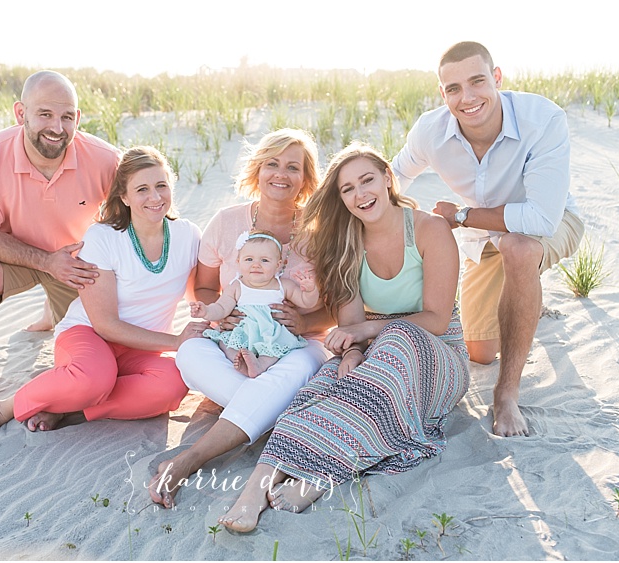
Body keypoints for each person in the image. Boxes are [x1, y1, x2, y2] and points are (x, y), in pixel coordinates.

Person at [218, 143, 470, 532]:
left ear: (388, 179)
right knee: (326, 382)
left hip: (435, 352)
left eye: (367, 180)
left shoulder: (428, 230)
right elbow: (350, 320)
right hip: (371, 345)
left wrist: (365, 331)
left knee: (397, 339)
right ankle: (255, 489)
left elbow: (436, 319)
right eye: (347, 189)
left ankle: (322, 476)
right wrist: (352, 352)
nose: (360, 194)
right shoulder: (345, 242)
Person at [392, 41, 584, 437]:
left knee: (519, 249)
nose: (468, 97)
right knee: (480, 351)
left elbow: (540, 218)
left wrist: (459, 216)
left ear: (497, 78)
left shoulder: (542, 119)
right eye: (454, 89)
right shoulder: (431, 131)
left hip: (549, 222)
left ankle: (506, 395)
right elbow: (392, 178)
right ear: (441, 93)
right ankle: (526, 299)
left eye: (477, 81)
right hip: (482, 237)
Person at [0, 146, 208, 442]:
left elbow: (202, 294)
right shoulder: (103, 238)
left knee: (171, 387)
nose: (155, 197)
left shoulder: (188, 235)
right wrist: (177, 342)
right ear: (124, 196)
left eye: (161, 186)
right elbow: (105, 325)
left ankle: (71, 409)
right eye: (142, 189)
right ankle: (5, 408)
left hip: (145, 347)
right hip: (89, 336)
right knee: (93, 379)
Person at [148, 129, 334, 508]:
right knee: (189, 353)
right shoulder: (227, 221)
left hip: (295, 344)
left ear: (306, 179)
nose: (280, 174)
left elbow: (335, 305)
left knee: (302, 365)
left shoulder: (320, 234)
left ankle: (190, 458)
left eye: (292, 167)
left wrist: (307, 323)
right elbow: (202, 289)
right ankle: (269, 409)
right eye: (272, 164)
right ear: (258, 170)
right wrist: (222, 313)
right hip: (233, 341)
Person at [0, 70, 121, 422]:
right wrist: (46, 262)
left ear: (78, 118)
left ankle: (56, 312)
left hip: (75, 262)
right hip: (16, 254)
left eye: (67, 117)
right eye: (45, 115)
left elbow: (130, 226)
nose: (57, 127)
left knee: (102, 355)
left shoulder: (105, 159)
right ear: (21, 114)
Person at [192, 230, 320, 378]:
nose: (256, 265)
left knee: (274, 350)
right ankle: (238, 359)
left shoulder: (283, 285)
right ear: (238, 262)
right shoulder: (237, 286)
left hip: (270, 334)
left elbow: (306, 302)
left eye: (265, 260)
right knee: (225, 343)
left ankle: (261, 364)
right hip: (243, 332)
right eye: (249, 259)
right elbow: (221, 308)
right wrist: (206, 311)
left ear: (278, 264)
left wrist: (310, 290)